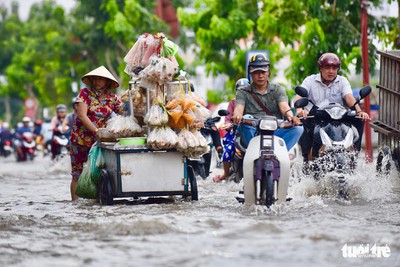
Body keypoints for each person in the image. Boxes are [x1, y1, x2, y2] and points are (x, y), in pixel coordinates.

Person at [294, 52, 369, 162]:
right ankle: (307, 157)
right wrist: (300, 110)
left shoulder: (342, 81)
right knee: (302, 122)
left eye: (334, 68)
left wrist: (359, 111)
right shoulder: (310, 80)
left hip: (337, 118)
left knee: (359, 119)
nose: (331, 71)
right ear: (320, 68)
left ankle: (354, 154)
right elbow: (298, 97)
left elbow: (348, 97)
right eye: (327, 67)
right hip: (314, 117)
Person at [69, 66, 123, 201]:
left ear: (107, 82)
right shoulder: (84, 94)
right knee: (77, 173)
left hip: (100, 141)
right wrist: (96, 131)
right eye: (95, 79)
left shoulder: (113, 99)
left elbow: (124, 112)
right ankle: (74, 204)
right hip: (80, 140)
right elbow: (82, 115)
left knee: (98, 172)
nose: (97, 81)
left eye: (100, 79)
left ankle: (96, 201)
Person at [232, 54, 303, 152]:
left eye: (263, 72)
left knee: (298, 129)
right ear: (250, 73)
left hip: (274, 130)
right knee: (246, 118)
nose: (260, 75)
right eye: (256, 72)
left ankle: (279, 153)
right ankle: (252, 151)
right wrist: (237, 116)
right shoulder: (242, 91)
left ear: (268, 72)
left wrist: (292, 117)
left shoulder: (278, 89)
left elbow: (284, 107)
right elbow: (238, 109)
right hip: (252, 130)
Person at [213, 78, 249, 183]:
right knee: (227, 151)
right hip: (237, 133)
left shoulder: (255, 100)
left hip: (253, 132)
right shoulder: (233, 102)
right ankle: (225, 173)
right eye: (240, 90)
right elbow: (228, 118)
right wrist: (228, 124)